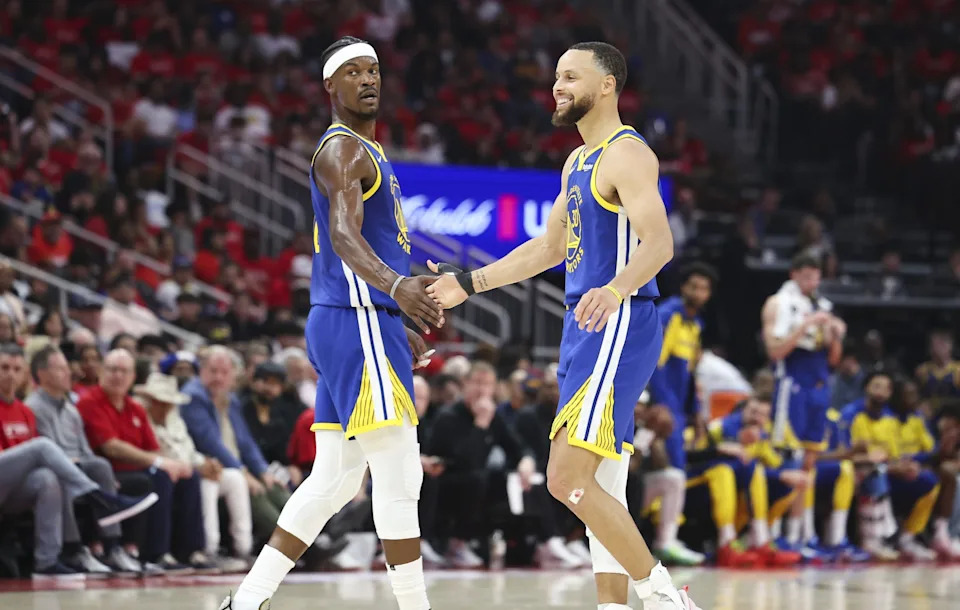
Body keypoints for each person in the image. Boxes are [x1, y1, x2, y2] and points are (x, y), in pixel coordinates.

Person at [428, 42, 699, 610]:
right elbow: (548, 248)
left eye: (572, 76)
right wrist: (468, 284)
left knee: (565, 478)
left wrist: (615, 288)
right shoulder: (577, 162)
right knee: (602, 485)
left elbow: (660, 243)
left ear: (607, 85)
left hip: (618, 319)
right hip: (584, 326)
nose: (558, 86)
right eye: (557, 76)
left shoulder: (628, 154)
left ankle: (665, 599)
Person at [224, 36, 443, 610]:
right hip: (355, 320)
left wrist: (393, 316)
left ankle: (246, 601)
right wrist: (394, 291)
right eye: (354, 72)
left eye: (374, 70)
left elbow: (366, 245)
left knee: (335, 480)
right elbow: (344, 237)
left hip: (355, 320)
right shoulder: (342, 149)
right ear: (329, 84)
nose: (368, 80)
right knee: (400, 474)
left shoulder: (368, 150)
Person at [0, 344, 156, 577]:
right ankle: (99, 497)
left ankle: (47, 562)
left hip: (13, 488)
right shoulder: (35, 406)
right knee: (43, 447)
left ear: (24, 374)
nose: (10, 375)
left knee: (48, 478)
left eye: (16, 369)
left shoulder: (24, 411)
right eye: (4, 368)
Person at [76, 348, 206, 572]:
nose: (118, 376)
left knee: (189, 476)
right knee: (159, 476)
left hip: (138, 469)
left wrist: (173, 464)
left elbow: (154, 448)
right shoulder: (89, 402)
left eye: (124, 371)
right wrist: (158, 463)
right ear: (101, 372)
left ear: (133, 377)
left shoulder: (135, 408)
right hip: (107, 472)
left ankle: (190, 552)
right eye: (113, 370)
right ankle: (155, 553)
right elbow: (111, 447)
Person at [761, 254, 845, 554]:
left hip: (819, 386)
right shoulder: (777, 303)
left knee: (809, 463)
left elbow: (834, 360)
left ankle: (800, 536)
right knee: (789, 460)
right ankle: (773, 533)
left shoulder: (823, 306)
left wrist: (835, 336)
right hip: (792, 386)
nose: (812, 282)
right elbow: (775, 352)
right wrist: (806, 325)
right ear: (793, 274)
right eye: (806, 275)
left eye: (816, 276)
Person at [139, 372, 252, 572]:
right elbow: (158, 453)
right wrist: (198, 467)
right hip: (168, 471)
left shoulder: (174, 419)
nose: (165, 407)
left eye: (168, 403)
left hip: (189, 466)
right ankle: (206, 550)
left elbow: (189, 451)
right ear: (149, 400)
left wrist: (208, 462)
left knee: (234, 477)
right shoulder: (142, 417)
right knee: (204, 482)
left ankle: (243, 548)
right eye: (160, 402)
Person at [645, 262, 717, 565]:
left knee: (675, 472)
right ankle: (660, 540)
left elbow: (690, 373)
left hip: (679, 407)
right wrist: (661, 405)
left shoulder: (695, 324)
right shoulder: (668, 314)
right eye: (694, 286)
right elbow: (654, 362)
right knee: (665, 470)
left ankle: (667, 539)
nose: (698, 292)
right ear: (683, 287)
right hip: (663, 406)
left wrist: (696, 413)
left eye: (704, 288)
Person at [181, 347, 288, 543]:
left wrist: (263, 470)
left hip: (238, 466)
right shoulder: (193, 397)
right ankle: (298, 546)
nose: (218, 377)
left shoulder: (230, 399)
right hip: (213, 467)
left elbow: (245, 442)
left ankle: (315, 538)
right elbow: (210, 444)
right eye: (213, 371)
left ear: (232, 376)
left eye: (224, 372)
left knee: (277, 489)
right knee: (257, 495)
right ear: (201, 371)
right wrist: (244, 472)